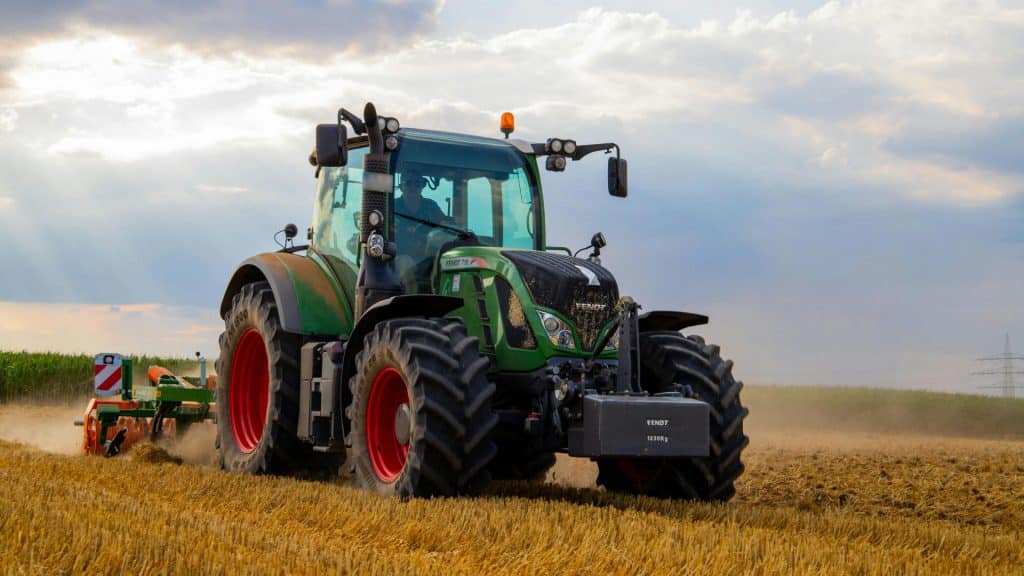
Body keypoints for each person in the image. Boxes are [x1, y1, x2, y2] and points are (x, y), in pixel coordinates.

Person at [393, 170, 450, 292]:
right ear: (401, 186)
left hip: (428, 259)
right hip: (396, 259)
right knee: (405, 262)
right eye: (408, 183)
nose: (413, 187)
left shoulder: (431, 207)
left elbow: (446, 227)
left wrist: (446, 227)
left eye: (417, 183)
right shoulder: (392, 206)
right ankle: (410, 304)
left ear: (423, 185)